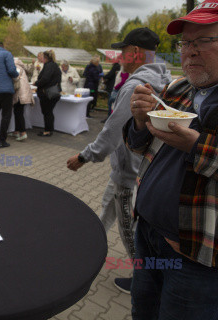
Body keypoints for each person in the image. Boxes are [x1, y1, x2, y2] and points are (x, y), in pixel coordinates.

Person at [125, 3, 218, 318]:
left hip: (201, 257)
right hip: (148, 235)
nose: (191, 52)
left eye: (204, 41)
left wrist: (198, 146)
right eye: (186, 43)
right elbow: (138, 144)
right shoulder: (179, 88)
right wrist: (138, 120)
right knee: (143, 312)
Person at [68, 27, 171, 295]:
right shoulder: (161, 78)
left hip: (130, 173)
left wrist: (84, 156)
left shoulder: (135, 86)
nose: (119, 56)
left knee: (129, 230)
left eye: (123, 51)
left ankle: (144, 281)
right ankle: (88, 251)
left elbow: (112, 131)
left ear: (135, 53)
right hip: (129, 169)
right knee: (107, 208)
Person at [34, 50, 61, 137]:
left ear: (46, 58)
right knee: (48, 112)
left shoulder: (49, 66)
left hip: (47, 93)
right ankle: (49, 129)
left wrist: (36, 83)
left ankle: (48, 130)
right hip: (52, 92)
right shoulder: (54, 65)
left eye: (42, 57)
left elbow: (45, 78)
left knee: (47, 112)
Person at [12, 58, 34, 141]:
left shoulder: (16, 67)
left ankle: (23, 132)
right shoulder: (21, 67)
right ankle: (17, 131)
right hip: (23, 93)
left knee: (19, 113)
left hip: (20, 94)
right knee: (18, 112)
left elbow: (16, 78)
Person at [101, 58, 121, 122]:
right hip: (114, 87)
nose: (112, 60)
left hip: (113, 87)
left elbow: (110, 75)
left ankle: (109, 118)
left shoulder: (116, 66)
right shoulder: (118, 66)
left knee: (111, 103)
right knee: (112, 103)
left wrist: (104, 77)